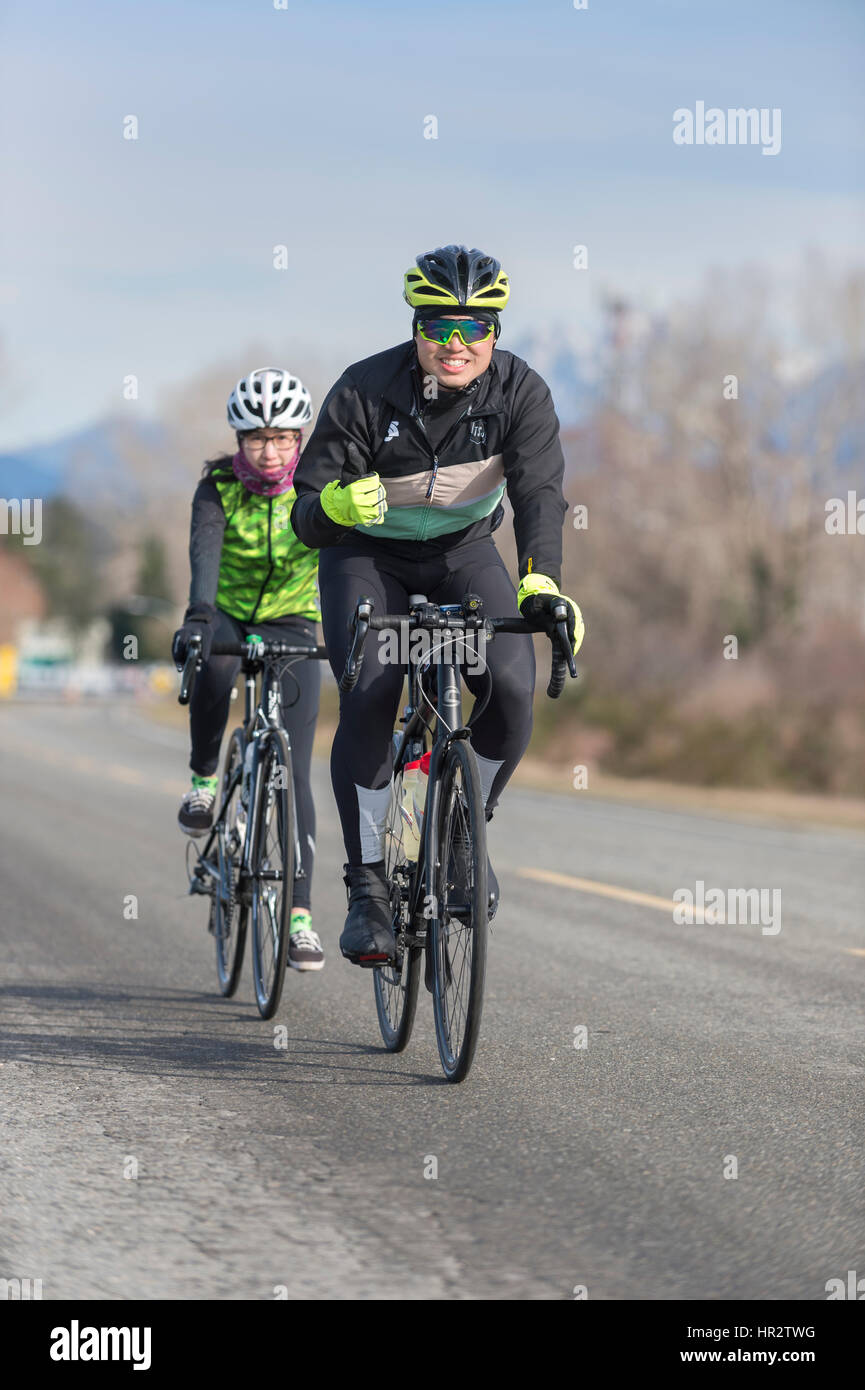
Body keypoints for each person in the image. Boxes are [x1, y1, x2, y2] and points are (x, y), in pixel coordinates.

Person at [290, 245, 584, 965]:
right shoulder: (363, 390)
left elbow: (539, 493)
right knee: (372, 689)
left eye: (473, 327)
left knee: (510, 686)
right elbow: (305, 514)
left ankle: (461, 830)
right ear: (415, 326)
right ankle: (367, 888)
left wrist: (541, 582)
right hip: (367, 556)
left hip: (463, 553)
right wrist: (333, 507)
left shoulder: (520, 392)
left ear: (495, 331)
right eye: (438, 326)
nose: (455, 344)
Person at [172, 368, 325, 972]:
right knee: (212, 659)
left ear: (299, 439)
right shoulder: (217, 487)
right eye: (258, 438)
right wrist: (197, 618)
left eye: (283, 438)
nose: (271, 451)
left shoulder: (317, 486)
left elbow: (345, 558)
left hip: (293, 619)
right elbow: (205, 553)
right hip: (227, 614)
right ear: (239, 439)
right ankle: (205, 781)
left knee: (296, 771)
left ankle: (300, 917)